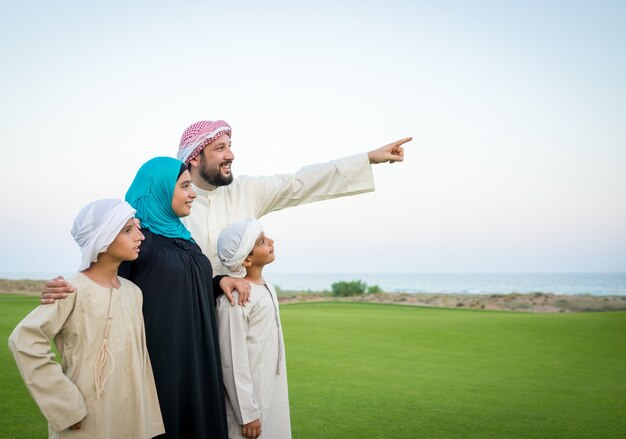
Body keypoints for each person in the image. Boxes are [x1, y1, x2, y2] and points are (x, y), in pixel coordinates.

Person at [42, 120, 411, 299]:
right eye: (220, 147)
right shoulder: (160, 212)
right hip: (184, 320)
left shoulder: (248, 190)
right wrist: (69, 288)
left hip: (237, 312)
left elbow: (300, 182)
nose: (231, 154)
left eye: (230, 145)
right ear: (194, 157)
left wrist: (367, 159)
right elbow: (115, 250)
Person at [8, 199, 164, 438]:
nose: (140, 236)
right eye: (128, 230)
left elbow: (140, 362)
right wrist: (66, 406)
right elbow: (24, 340)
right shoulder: (70, 289)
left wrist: (147, 419)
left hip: (130, 416)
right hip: (85, 418)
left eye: (136, 227)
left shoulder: (133, 292)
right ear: (103, 240)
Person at [119, 156, 228, 438]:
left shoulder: (184, 237)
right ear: (160, 188)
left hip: (199, 358)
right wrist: (66, 288)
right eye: (184, 186)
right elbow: (107, 283)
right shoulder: (136, 240)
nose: (192, 193)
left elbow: (184, 284)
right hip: (163, 367)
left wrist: (219, 282)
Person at [215, 219, 290, 439]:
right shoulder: (236, 298)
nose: (270, 241)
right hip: (248, 404)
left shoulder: (267, 288)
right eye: (261, 241)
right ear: (246, 259)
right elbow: (231, 359)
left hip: (271, 389)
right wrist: (246, 413)